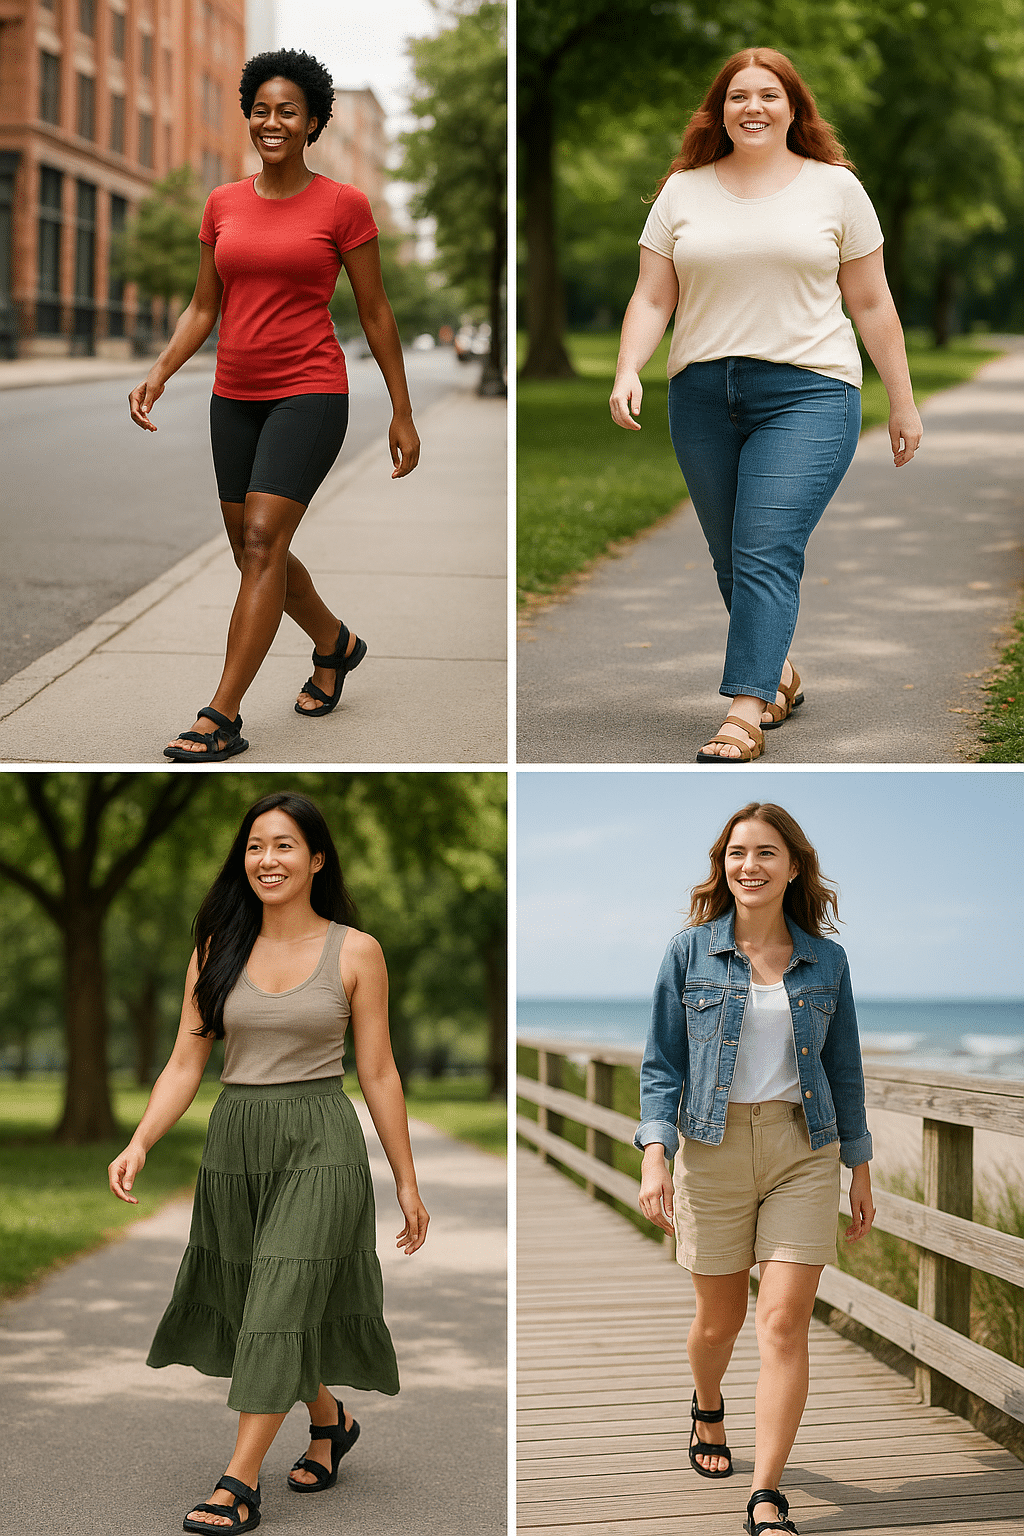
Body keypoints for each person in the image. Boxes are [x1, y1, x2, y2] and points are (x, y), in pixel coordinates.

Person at [108, 790, 429, 1531]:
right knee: (264, 1303)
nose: (267, 859)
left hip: (320, 1140)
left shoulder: (356, 950)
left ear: (316, 860)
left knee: (280, 1300)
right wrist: (141, 1140)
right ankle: (330, 1423)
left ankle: (238, 1481)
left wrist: (406, 1182)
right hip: (236, 1140)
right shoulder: (215, 950)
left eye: (284, 845)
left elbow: (378, 1071)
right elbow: (185, 1064)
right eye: (255, 846)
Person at [609, 48, 923, 764]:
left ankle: (744, 712)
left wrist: (902, 403)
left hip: (810, 391)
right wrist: (629, 367)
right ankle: (778, 669)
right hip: (701, 394)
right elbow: (653, 295)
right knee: (730, 554)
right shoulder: (683, 191)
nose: (752, 107)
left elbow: (871, 301)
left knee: (763, 547)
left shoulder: (836, 189)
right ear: (719, 110)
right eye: (737, 96)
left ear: (793, 108)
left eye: (768, 95)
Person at [128, 49, 421, 762]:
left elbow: (377, 313)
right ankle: (336, 643)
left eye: (287, 111)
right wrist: (162, 369)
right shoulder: (221, 203)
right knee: (249, 549)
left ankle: (220, 715)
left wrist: (401, 411)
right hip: (234, 395)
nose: (272, 121)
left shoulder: (344, 204)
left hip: (311, 390)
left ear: (313, 121)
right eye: (261, 110)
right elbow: (205, 305)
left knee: (262, 540)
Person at [635, 802, 874, 1536]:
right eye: (738, 852)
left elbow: (845, 1068)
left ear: (793, 866)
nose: (751, 865)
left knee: (782, 1321)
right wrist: (655, 1155)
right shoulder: (690, 952)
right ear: (723, 865)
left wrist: (860, 1168)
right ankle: (709, 1407)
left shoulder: (826, 961)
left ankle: (766, 1495)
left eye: (767, 852)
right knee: (720, 1321)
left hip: (806, 1149)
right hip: (711, 1147)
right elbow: (662, 1063)